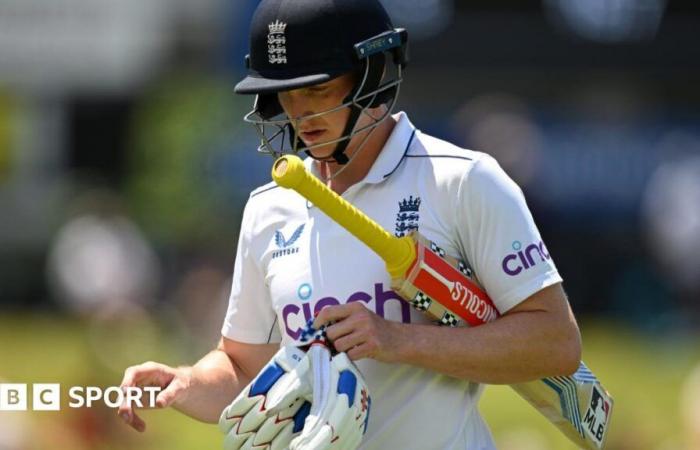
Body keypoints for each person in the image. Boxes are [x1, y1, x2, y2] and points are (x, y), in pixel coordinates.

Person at [118, 0, 582, 448]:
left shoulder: (463, 181)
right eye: (285, 93)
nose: (299, 113)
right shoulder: (268, 209)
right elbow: (243, 370)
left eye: (317, 89)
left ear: (374, 76)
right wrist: (186, 381)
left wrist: (397, 339)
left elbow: (554, 343)